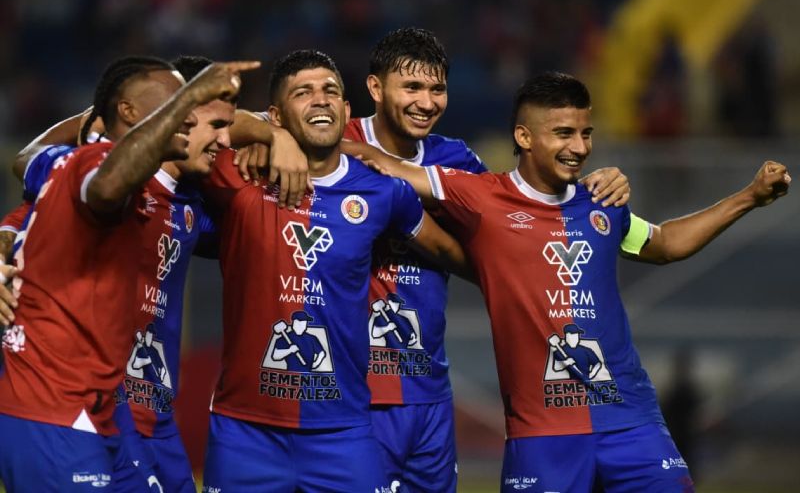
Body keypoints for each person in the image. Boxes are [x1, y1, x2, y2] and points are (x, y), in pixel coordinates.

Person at [347, 71, 791, 492]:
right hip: (543, 435)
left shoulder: (602, 203)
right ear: (524, 137)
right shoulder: (480, 196)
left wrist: (749, 196)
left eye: (586, 133)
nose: (579, 147)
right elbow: (381, 163)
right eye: (563, 133)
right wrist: (306, 136)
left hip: (631, 422)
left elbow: (665, 243)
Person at [343, 27, 630, 491]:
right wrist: (276, 140)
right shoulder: (330, 139)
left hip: (427, 387)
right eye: (411, 87)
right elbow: (251, 127)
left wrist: (595, 183)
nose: (426, 102)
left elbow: (514, 223)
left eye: (437, 89)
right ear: (376, 88)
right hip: (350, 388)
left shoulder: (455, 160)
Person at [199, 49, 472, 492]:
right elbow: (186, 123)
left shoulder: (386, 193)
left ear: (346, 111)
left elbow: (453, 252)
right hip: (245, 430)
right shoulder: (241, 175)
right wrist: (269, 136)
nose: (320, 99)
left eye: (329, 90)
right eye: (303, 92)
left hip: (344, 431)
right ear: (276, 114)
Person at [0, 56, 255, 492]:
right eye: (175, 104)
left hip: (102, 404)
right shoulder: (93, 164)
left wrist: (272, 136)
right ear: (130, 112)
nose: (186, 115)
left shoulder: (177, 201)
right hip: (56, 405)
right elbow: (98, 184)